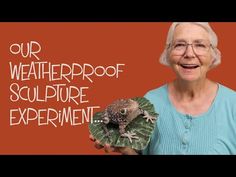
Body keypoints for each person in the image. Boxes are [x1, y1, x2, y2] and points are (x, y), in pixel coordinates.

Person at [90, 22, 236, 155]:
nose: (189, 54)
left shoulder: (232, 104)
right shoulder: (151, 101)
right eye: (179, 45)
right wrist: (127, 150)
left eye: (200, 45)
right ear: (168, 53)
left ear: (213, 55)